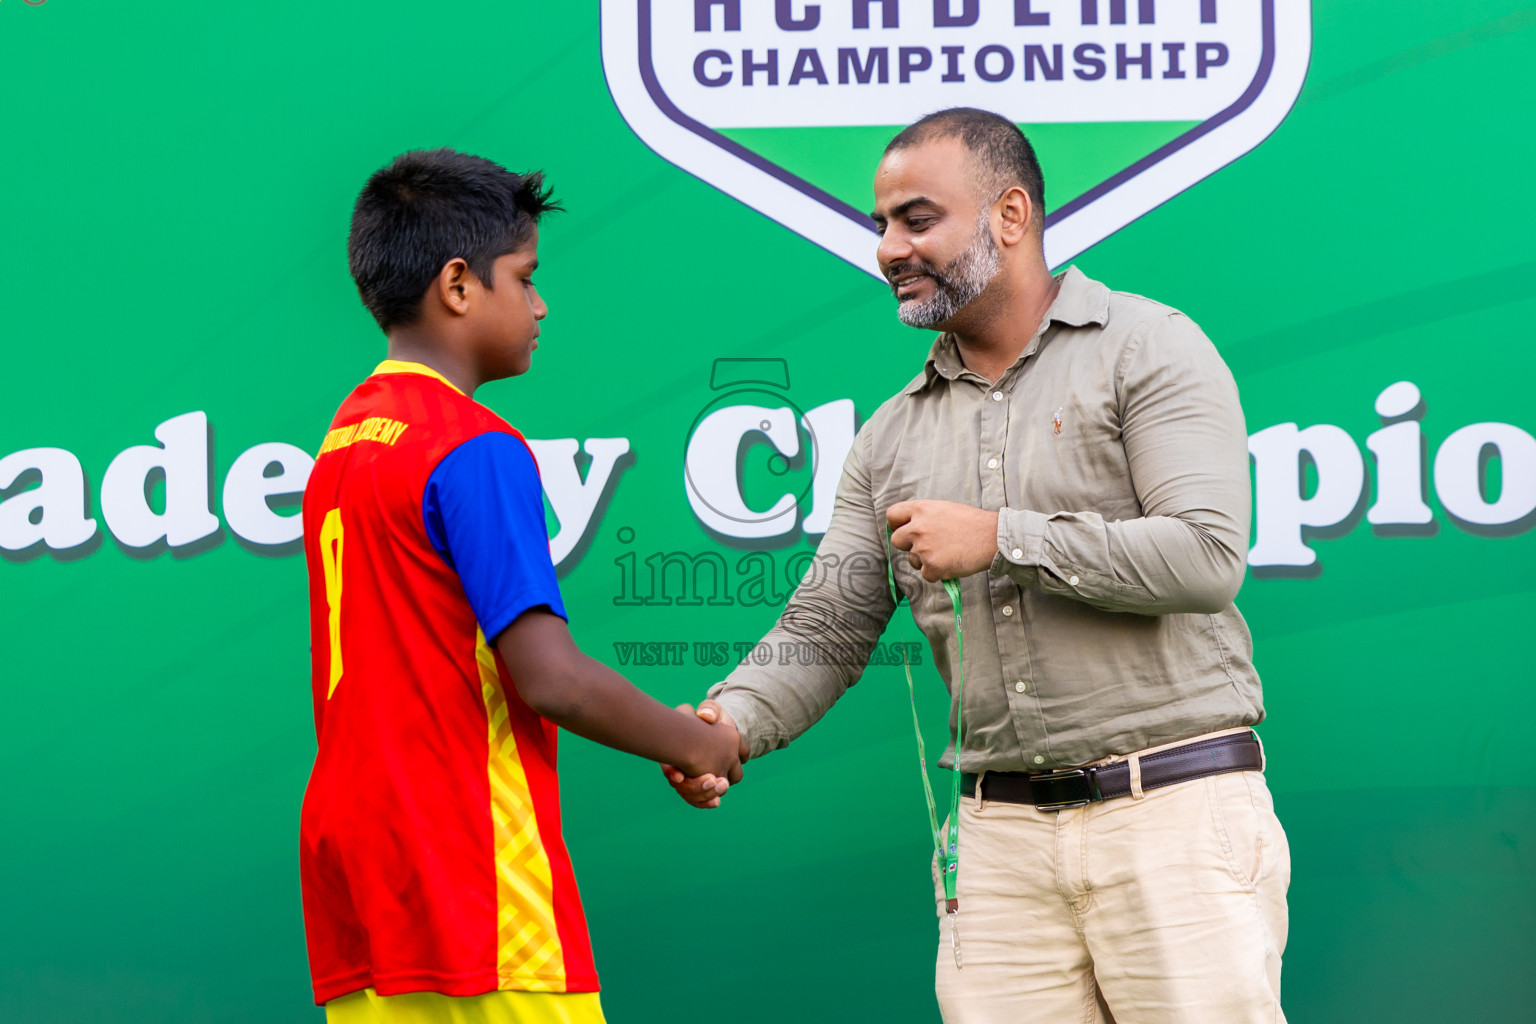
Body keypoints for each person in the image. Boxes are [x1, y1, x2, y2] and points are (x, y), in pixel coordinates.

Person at [663, 108, 1290, 1023]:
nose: (888, 248)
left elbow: (1205, 557)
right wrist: (724, 727)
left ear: (1010, 215)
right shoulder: (890, 436)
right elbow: (827, 625)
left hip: (1176, 816)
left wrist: (1002, 537)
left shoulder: (1149, 347)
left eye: (917, 220)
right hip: (995, 849)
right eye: (882, 224)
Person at [299, 148, 742, 1024]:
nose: (539, 305)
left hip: (356, 869)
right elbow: (551, 678)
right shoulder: (475, 448)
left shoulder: (342, 442)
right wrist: (693, 745)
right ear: (459, 286)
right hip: (471, 872)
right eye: (526, 277)